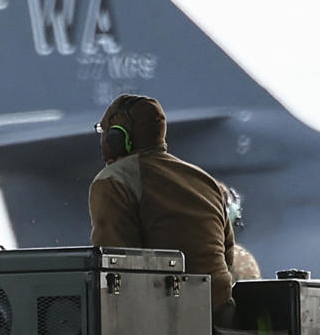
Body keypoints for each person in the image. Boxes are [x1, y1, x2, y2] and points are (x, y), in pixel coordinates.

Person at [88, 93, 237, 313]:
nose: (102, 139)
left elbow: (115, 264)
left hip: (162, 319)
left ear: (117, 137)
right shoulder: (205, 180)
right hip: (220, 313)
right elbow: (228, 257)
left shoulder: (114, 180)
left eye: (103, 131)